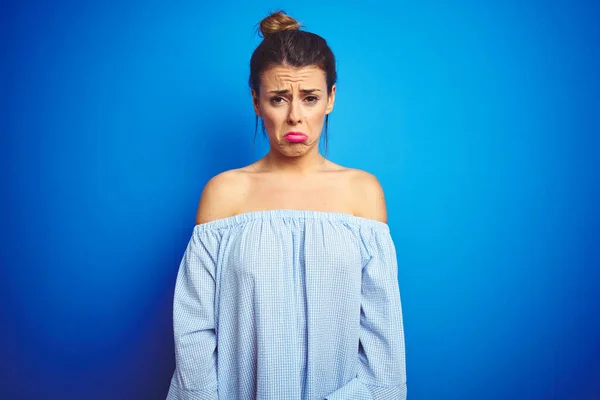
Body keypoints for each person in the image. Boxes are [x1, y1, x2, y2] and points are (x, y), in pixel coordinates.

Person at [166, 10, 407, 400]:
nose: (295, 117)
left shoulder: (362, 192)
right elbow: (194, 329)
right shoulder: (224, 193)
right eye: (279, 98)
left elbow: (383, 346)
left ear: (330, 99)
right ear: (256, 102)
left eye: (310, 98)